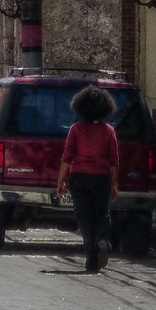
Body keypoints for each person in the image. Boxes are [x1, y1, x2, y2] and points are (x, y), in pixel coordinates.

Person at [54, 86, 121, 273]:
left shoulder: (76, 129)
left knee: (84, 217)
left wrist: (61, 181)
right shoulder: (109, 131)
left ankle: (91, 256)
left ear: (80, 107)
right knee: (102, 213)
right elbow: (114, 161)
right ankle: (102, 239)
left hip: (79, 178)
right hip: (102, 178)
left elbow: (67, 158)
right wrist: (114, 184)